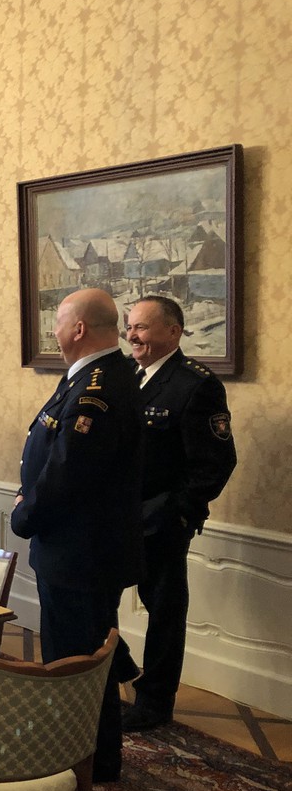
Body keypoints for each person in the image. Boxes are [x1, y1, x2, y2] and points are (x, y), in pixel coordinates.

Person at [10, 287, 142, 783]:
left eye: (59, 322)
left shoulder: (98, 387)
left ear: (79, 329)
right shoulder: (91, 376)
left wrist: (24, 516)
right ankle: (86, 753)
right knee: (81, 658)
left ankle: (82, 761)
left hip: (80, 551)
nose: (54, 330)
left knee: (75, 663)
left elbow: (69, 473)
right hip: (75, 548)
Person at [119, 295, 237, 732]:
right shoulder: (127, 376)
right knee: (96, 597)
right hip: (119, 518)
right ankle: (119, 669)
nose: (132, 335)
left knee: (164, 614)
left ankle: (154, 703)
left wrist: (178, 513)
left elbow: (216, 463)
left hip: (162, 523)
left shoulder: (195, 384)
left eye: (142, 327)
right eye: (129, 326)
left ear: (173, 331)